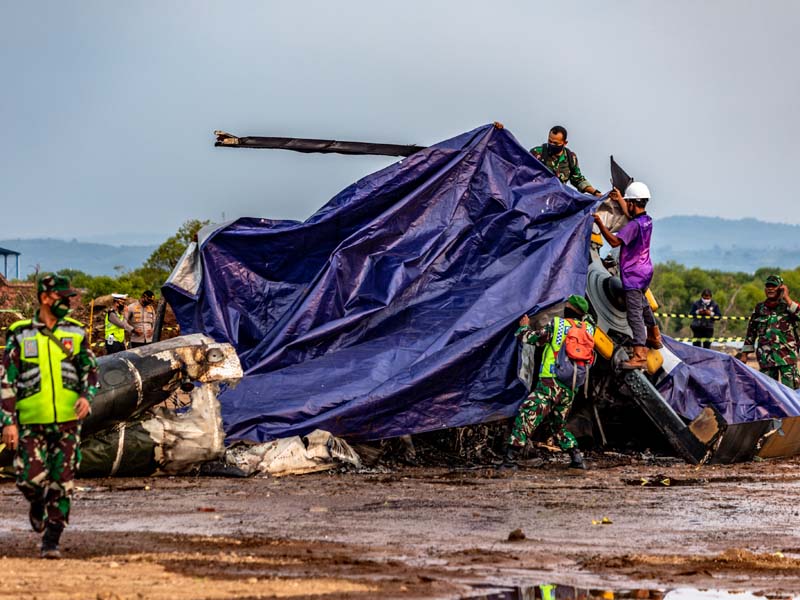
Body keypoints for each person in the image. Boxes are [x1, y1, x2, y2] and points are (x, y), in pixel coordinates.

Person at [0, 273, 98, 559]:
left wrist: (86, 396)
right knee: (28, 479)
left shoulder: (77, 333)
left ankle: (51, 540)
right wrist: (8, 422)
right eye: (62, 298)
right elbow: (7, 380)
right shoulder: (20, 334)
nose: (68, 302)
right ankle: (37, 503)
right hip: (30, 422)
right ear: (45, 298)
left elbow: (90, 371)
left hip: (68, 422)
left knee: (63, 480)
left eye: (69, 298)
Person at [506, 295, 595, 470]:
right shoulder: (589, 329)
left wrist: (524, 327)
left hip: (550, 382)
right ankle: (577, 458)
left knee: (527, 414)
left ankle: (509, 459)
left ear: (569, 308)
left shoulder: (558, 325)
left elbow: (531, 338)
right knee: (558, 424)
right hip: (571, 386)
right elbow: (590, 319)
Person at [593, 181, 661, 369]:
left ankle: (639, 355)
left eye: (628, 203)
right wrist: (621, 199)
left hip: (632, 275)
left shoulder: (633, 226)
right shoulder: (647, 220)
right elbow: (632, 213)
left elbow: (614, 242)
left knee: (634, 315)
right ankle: (655, 336)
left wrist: (600, 223)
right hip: (645, 271)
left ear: (633, 203)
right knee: (644, 304)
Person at [738, 275, 800, 389]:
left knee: (792, 393)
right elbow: (751, 332)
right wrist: (744, 354)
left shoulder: (788, 306)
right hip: (766, 359)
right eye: (768, 286)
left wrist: (787, 297)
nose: (770, 289)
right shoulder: (759, 308)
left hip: (787, 357)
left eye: (773, 286)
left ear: (781, 288)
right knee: (768, 393)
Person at [530, 125, 603, 197]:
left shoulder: (571, 158)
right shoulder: (537, 153)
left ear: (565, 143)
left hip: (556, 201)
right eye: (550, 141)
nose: (552, 144)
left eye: (556, 143)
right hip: (535, 197)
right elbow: (523, 172)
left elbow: (578, 180)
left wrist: (595, 193)